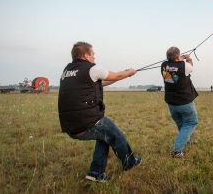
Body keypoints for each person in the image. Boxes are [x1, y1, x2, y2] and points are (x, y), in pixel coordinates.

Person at [58, 42, 141, 182]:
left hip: (70, 125)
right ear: (85, 55)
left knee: (104, 137)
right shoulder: (92, 68)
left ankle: (95, 173)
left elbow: (101, 82)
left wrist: (124, 75)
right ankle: (130, 163)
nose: (94, 57)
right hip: (88, 121)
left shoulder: (68, 71)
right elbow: (114, 76)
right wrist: (128, 73)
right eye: (93, 54)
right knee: (117, 136)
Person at [161, 47, 199, 158]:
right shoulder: (185, 66)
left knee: (183, 125)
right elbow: (191, 67)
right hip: (184, 102)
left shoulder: (163, 65)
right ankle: (177, 151)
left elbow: (172, 65)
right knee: (191, 122)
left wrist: (178, 59)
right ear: (178, 56)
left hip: (171, 103)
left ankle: (187, 141)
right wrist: (188, 59)